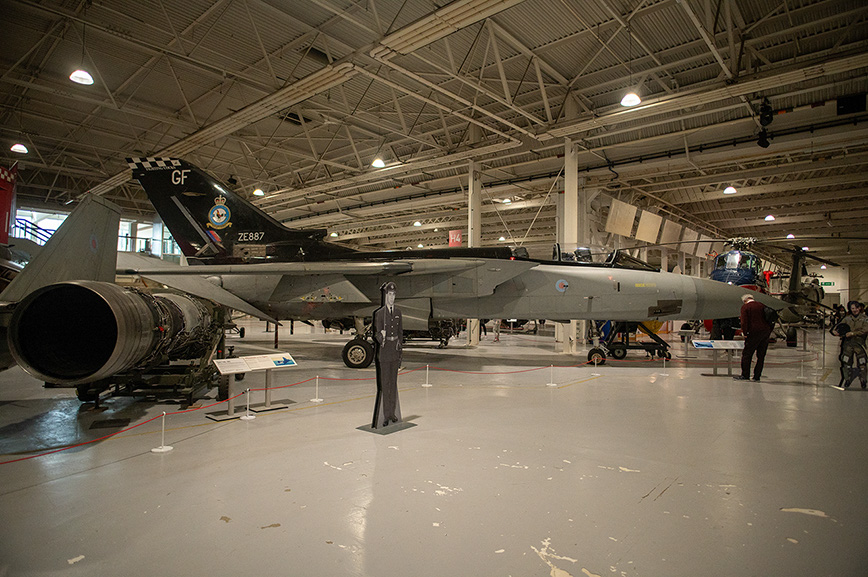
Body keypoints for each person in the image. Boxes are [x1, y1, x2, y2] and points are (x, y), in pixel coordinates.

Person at [372, 282, 403, 427]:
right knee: (385, 384)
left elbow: (400, 333)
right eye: (389, 295)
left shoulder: (398, 313)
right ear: (386, 296)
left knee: (393, 383)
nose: (391, 298)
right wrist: (381, 337)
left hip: (394, 352)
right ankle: (385, 416)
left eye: (394, 295)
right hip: (384, 353)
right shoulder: (379, 314)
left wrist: (400, 352)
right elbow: (376, 334)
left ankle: (392, 413)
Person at [735, 293, 773, 382]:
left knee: (747, 354)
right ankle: (757, 376)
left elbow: (744, 322)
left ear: (745, 301)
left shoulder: (746, 307)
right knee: (761, 355)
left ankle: (745, 375)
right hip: (765, 332)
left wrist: (745, 333)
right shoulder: (762, 305)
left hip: (753, 332)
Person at [831, 300, 868, 389]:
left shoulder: (864, 319)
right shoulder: (847, 319)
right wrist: (835, 331)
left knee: (862, 363)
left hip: (860, 344)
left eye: (855, 308)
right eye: (852, 308)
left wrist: (853, 333)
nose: (854, 310)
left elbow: (865, 330)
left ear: (859, 308)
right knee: (846, 362)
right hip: (848, 344)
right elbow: (839, 326)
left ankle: (863, 380)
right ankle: (847, 379)